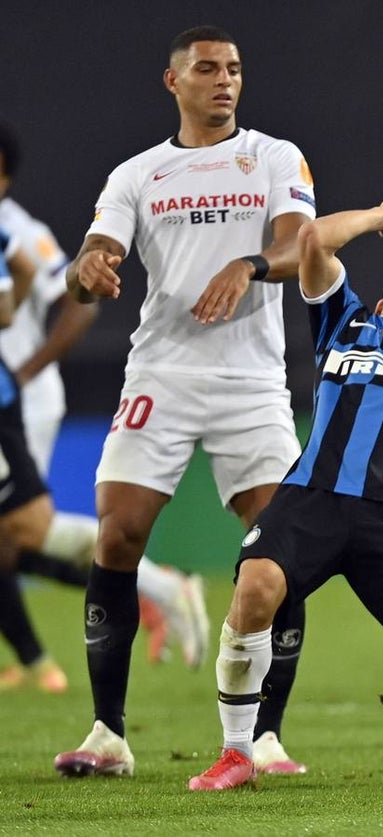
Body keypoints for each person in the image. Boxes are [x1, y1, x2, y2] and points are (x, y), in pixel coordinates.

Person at [53, 25, 315, 778]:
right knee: (117, 534)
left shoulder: (274, 157)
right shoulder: (138, 174)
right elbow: (90, 257)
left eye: (234, 68)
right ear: (174, 82)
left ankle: (263, 737)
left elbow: (304, 246)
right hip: (161, 374)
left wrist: (252, 260)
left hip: (251, 381)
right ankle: (108, 734)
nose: (224, 80)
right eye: (207, 69)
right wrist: (91, 273)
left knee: (278, 554)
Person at [187, 197, 383, 791]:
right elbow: (312, 242)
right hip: (312, 496)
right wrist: (380, 215)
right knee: (256, 587)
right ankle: (237, 753)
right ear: (381, 304)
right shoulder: (347, 323)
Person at [0, 122, 209, 679]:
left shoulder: (17, 228)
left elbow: (79, 302)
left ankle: (150, 588)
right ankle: (34, 661)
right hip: (12, 396)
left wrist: (24, 369)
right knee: (12, 536)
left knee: (21, 531)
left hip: (18, 401)